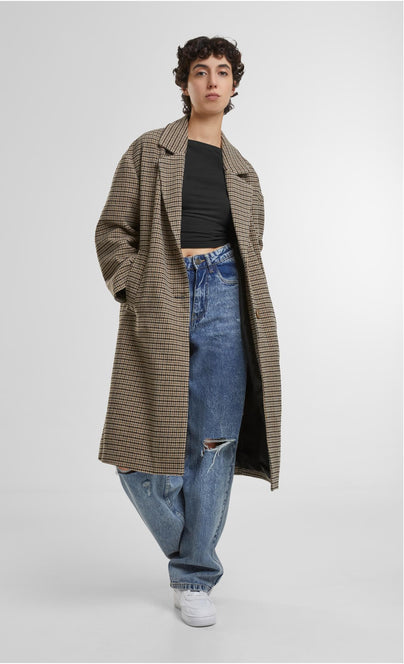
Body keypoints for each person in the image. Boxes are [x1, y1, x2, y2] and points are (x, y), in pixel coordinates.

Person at [94, 35, 282, 628]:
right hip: (162, 295)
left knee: (213, 446)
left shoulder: (245, 173)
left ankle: (194, 577)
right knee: (137, 456)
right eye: (200, 71)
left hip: (225, 296)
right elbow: (112, 230)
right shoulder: (149, 150)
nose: (211, 81)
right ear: (184, 83)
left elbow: (251, 249)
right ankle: (192, 554)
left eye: (222, 72)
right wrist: (136, 286)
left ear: (234, 85)